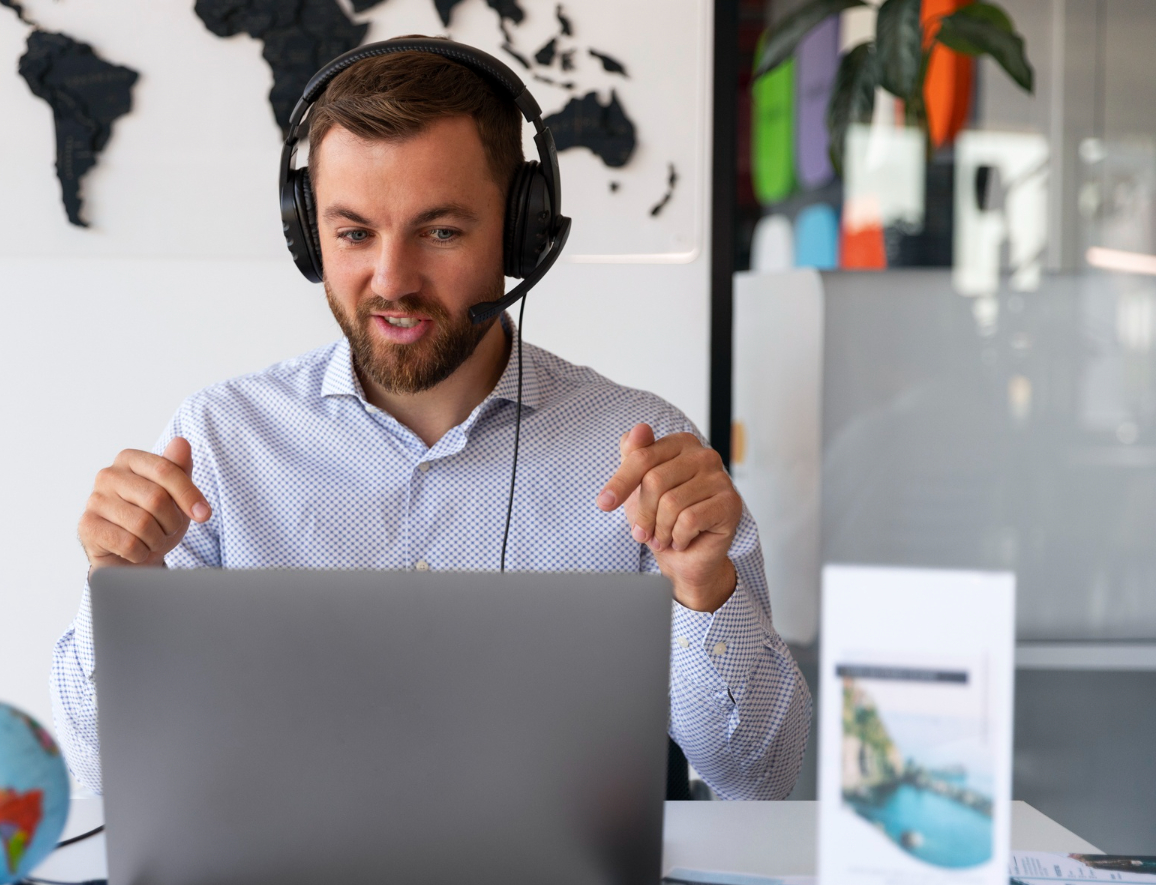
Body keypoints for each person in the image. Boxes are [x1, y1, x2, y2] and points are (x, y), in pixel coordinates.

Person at [50, 41, 810, 801]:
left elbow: (767, 780)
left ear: (521, 234)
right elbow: (102, 775)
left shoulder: (641, 449)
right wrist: (121, 590)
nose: (391, 280)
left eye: (440, 232)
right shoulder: (220, 441)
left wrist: (704, 592)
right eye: (354, 234)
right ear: (310, 238)